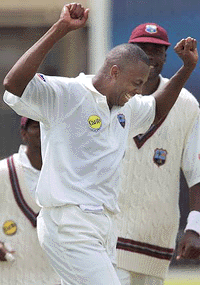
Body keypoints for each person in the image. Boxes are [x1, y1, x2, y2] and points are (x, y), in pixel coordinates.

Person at [2, 3, 198, 284]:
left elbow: (157, 109)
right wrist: (60, 29)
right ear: (115, 72)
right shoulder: (66, 93)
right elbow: (13, 84)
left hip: (104, 224)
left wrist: (187, 68)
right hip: (69, 222)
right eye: (136, 82)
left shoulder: (125, 108)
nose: (139, 91)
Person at [115, 23, 200, 285]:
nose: (149, 56)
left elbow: (196, 172)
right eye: (142, 49)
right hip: (107, 236)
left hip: (156, 240)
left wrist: (195, 225)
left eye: (157, 50)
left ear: (165, 57)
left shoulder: (186, 104)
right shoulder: (107, 95)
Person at [0, 117, 60, 284]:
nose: (42, 131)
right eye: (35, 126)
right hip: (11, 274)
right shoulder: (4, 171)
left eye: (46, 125)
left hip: (54, 274)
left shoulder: (67, 174)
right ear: (24, 134)